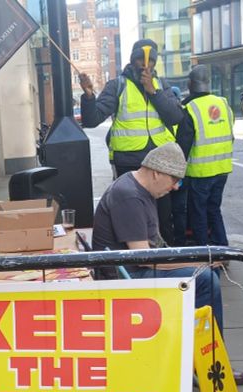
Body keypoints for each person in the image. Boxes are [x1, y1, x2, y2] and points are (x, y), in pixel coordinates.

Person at [92, 143, 224, 330]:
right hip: (126, 275)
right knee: (205, 279)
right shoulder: (129, 196)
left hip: (132, 268)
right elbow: (144, 257)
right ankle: (203, 346)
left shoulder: (138, 188)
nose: (176, 187)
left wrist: (199, 258)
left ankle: (197, 342)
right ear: (157, 173)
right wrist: (196, 262)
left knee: (209, 272)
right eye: (175, 179)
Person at [78, 39, 185, 246]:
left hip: (160, 166)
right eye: (140, 60)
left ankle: (165, 262)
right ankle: (136, 260)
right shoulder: (119, 85)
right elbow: (92, 119)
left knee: (162, 219)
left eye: (151, 62)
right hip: (129, 162)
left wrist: (153, 92)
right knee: (131, 214)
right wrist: (89, 95)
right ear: (132, 60)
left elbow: (175, 117)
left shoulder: (161, 85)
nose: (145, 65)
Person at [179, 65, 234, 246]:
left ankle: (204, 250)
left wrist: (176, 173)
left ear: (189, 83)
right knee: (214, 210)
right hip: (222, 169)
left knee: (199, 213)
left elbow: (183, 146)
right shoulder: (223, 103)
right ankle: (222, 247)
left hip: (200, 172)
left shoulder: (189, 107)